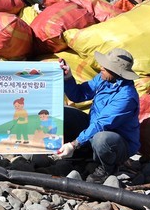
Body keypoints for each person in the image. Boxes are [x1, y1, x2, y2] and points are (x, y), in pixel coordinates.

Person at [56, 48, 140, 183]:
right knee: (64, 113)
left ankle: (107, 168)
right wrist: (68, 77)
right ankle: (85, 154)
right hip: (94, 128)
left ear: (117, 72)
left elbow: (102, 124)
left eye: (106, 67)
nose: (101, 67)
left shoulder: (126, 97)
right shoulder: (103, 80)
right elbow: (79, 94)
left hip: (117, 143)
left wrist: (74, 144)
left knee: (102, 139)